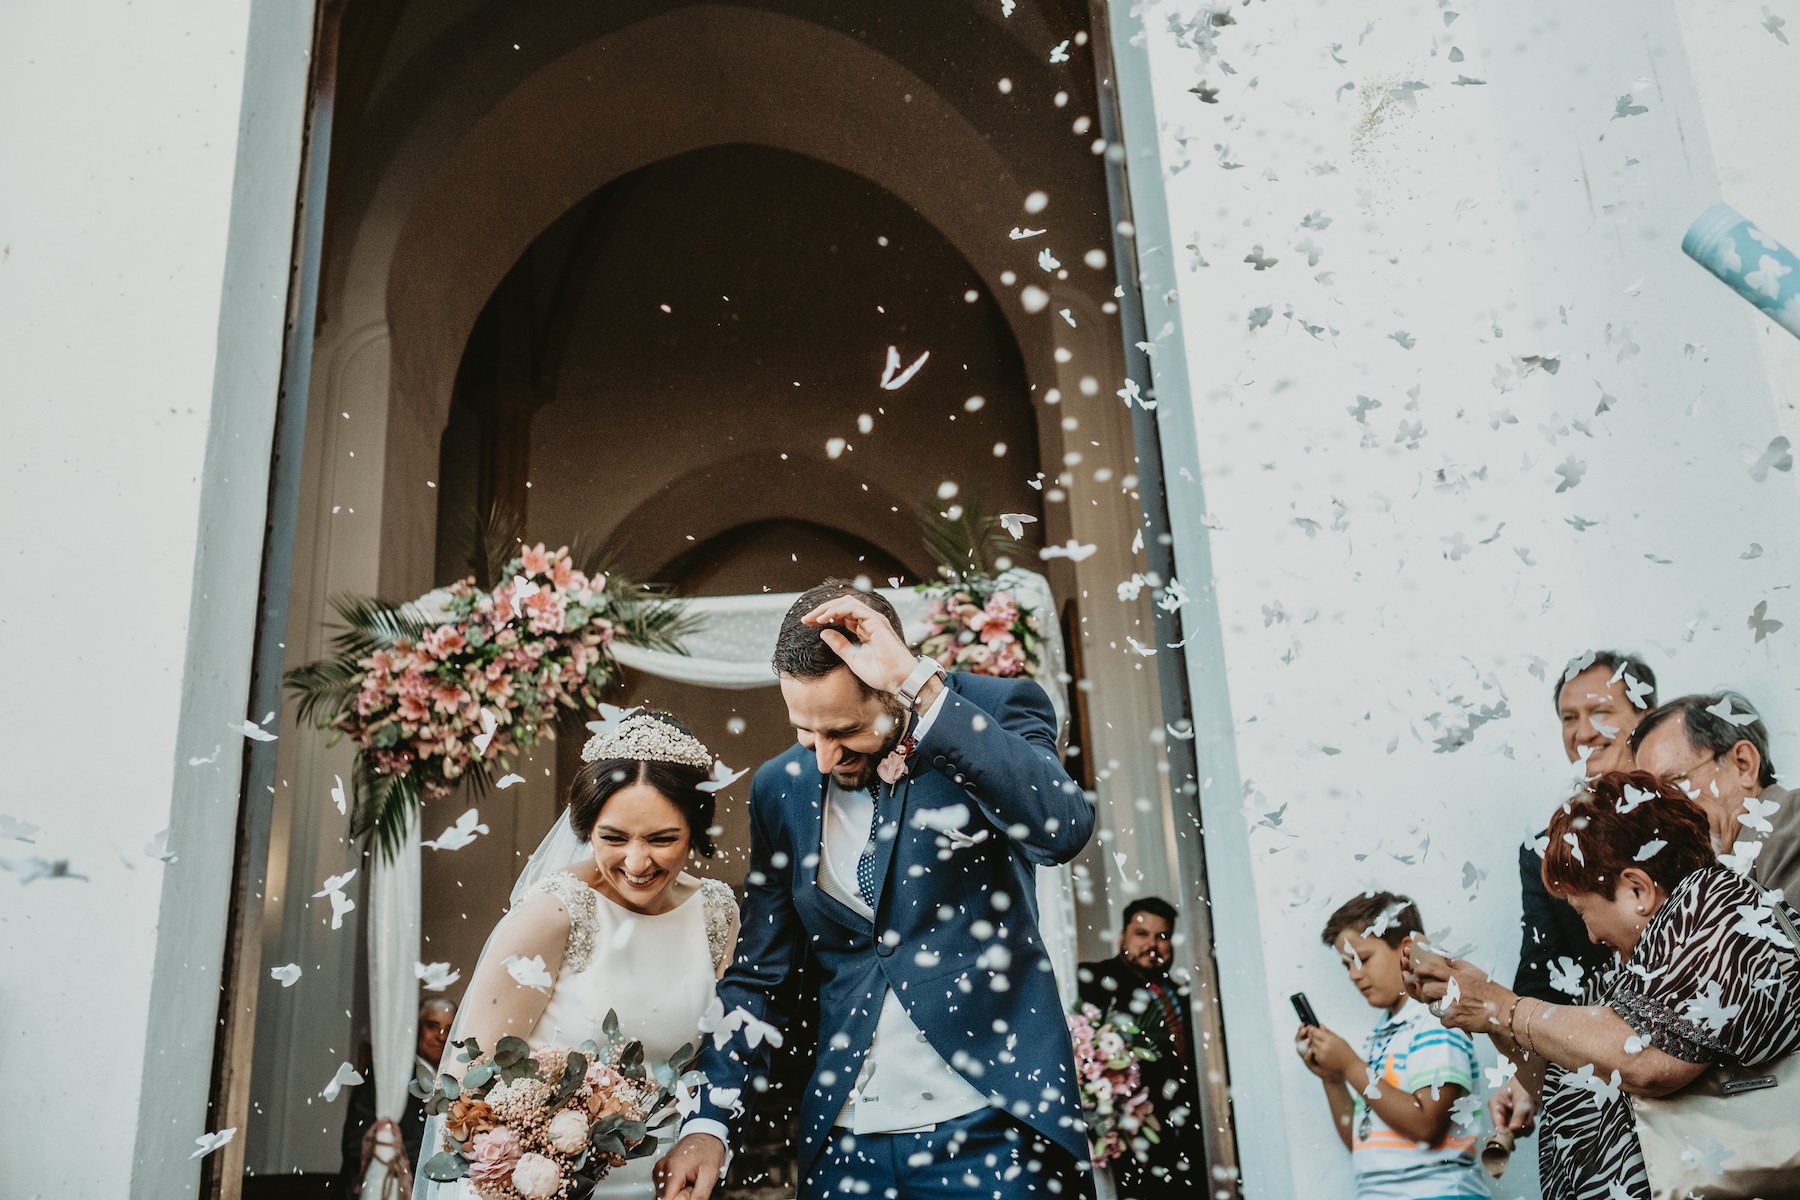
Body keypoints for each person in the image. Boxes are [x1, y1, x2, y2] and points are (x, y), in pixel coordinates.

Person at [656, 581, 1096, 1200]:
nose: (825, 758)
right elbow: (761, 975)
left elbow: (1061, 828)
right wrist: (711, 1119)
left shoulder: (989, 712)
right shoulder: (779, 788)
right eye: (807, 733)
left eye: (844, 730)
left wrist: (924, 687)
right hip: (845, 1145)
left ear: (891, 682)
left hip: (993, 1127)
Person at [1409, 772, 1800, 1200]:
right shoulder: (1625, 979)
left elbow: (1648, 1059)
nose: (1591, 936)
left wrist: (1503, 1007)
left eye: (1582, 912)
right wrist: (1482, 1008)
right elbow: (1553, 1079)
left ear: (1637, 889)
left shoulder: (1716, 904)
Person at [416, 710, 740, 1199]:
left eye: (662, 839)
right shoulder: (551, 916)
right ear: (586, 829)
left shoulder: (716, 913)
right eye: (613, 838)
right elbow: (464, 1088)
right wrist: (525, 1163)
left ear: (694, 830)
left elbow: (715, 1057)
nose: (636, 862)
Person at [1293, 892, 1488, 1200]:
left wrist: (1350, 1066)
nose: (1355, 975)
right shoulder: (1380, 1037)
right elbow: (1364, 1142)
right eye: (1347, 966)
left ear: (1405, 949)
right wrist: (1332, 1078)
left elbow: (1427, 1127)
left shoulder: (1436, 1021)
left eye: (1363, 959)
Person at [1516, 650, 1657, 1005]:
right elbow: (1540, 982)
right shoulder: (1543, 850)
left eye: (1600, 712)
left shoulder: (1691, 806)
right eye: (1569, 718)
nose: (1583, 733)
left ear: (1648, 717)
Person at [1077, 898, 1201, 1198]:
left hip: (1183, 1129)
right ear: (1122, 937)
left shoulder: (1181, 994)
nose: (1152, 945)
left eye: (1163, 936)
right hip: (1127, 1129)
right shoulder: (1093, 980)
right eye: (1142, 934)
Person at [1630, 690, 1800, 895]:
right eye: (1650, 800)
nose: (1659, 816)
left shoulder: (1792, 823)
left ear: (1743, 764)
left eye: (1673, 784)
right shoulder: (1724, 866)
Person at [340, 996, 457, 1191]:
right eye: (432, 1026)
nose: (442, 1036)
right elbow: (356, 1141)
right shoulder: (388, 1074)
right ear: (417, 1028)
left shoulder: (453, 1079)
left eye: (449, 1029)